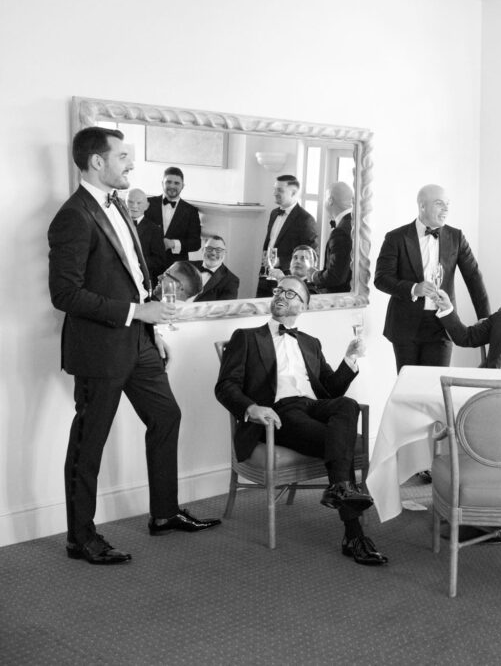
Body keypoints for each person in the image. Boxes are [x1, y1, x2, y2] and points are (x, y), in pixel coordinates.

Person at [48, 127, 220, 565]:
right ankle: (80, 538)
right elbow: (64, 295)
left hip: (139, 342)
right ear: (97, 162)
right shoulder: (73, 216)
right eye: (123, 156)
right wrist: (135, 314)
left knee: (166, 416)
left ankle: (163, 514)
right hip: (99, 349)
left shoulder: (120, 204)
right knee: (90, 443)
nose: (131, 163)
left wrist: (151, 328)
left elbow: (135, 279)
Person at [214, 276, 387, 565]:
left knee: (347, 404)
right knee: (340, 442)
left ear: (303, 306)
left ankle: (339, 490)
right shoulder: (245, 338)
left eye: (291, 293)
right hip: (279, 414)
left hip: (311, 406)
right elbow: (225, 386)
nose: (281, 295)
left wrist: (349, 360)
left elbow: (330, 390)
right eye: (279, 290)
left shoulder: (311, 343)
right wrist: (251, 408)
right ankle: (354, 534)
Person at [374, 184, 490, 371]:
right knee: (408, 387)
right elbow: (381, 278)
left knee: (435, 387)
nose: (446, 209)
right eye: (439, 204)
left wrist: (485, 319)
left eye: (447, 204)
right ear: (422, 206)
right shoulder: (396, 237)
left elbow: (474, 278)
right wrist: (413, 288)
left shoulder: (456, 237)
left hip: (443, 324)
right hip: (405, 325)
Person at [257, 175, 318, 297]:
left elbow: (310, 256)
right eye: (274, 189)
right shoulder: (274, 213)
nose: (274, 193)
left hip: (289, 281)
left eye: (280, 190)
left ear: (293, 192)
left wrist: (281, 261)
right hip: (266, 276)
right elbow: (270, 243)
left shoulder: (306, 220)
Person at [145, 166, 201, 264]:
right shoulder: (147, 204)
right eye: (168, 182)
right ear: (162, 183)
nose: (172, 186)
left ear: (183, 186)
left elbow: (196, 243)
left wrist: (172, 244)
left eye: (176, 183)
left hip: (176, 267)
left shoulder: (191, 211)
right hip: (149, 264)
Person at [308, 181, 354, 293]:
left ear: (330, 200)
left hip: (340, 299)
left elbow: (336, 276)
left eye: (324, 197)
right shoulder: (356, 223)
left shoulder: (341, 232)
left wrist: (314, 275)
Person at [126, 187, 168, 276]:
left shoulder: (155, 230)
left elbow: (159, 260)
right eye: (130, 202)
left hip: (141, 277)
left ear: (147, 206)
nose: (134, 206)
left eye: (139, 203)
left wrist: (135, 264)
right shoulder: (117, 223)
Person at [190, 236, 240, 302]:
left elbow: (224, 309)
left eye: (218, 250)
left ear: (224, 253)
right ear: (202, 250)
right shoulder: (187, 266)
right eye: (209, 248)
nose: (213, 253)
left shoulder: (231, 280)